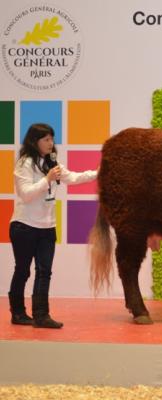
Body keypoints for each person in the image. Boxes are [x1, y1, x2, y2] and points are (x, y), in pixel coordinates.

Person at [8, 123, 98, 328]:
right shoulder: (25, 163)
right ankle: (18, 313)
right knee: (23, 270)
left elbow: (73, 177)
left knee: (44, 271)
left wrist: (97, 173)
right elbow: (26, 194)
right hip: (24, 226)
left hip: (47, 227)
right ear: (34, 141)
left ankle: (41, 315)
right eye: (46, 139)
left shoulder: (52, 162)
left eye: (52, 139)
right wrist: (47, 180)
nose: (51, 143)